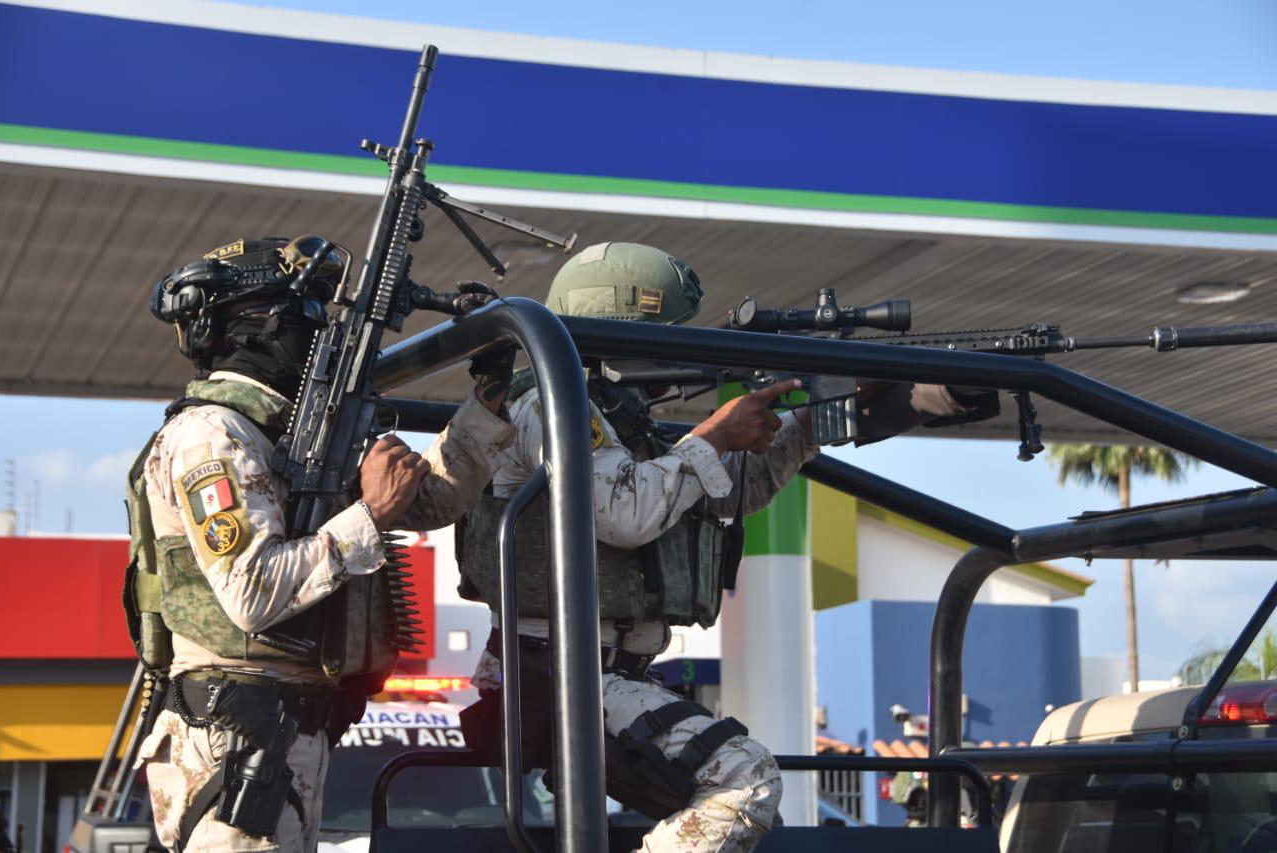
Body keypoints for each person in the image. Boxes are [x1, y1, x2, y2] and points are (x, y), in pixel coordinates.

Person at [456, 242, 998, 852]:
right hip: (550, 675)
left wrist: (809, 419)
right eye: (661, 336)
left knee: (749, 823)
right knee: (745, 777)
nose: (674, 352)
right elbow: (625, 513)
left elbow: (725, 493)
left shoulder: (611, 417)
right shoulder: (546, 402)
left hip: (601, 679)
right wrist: (713, 434)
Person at [127, 236, 514, 852]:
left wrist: (488, 400)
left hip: (288, 727)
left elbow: (431, 501)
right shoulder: (212, 436)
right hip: (233, 734)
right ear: (253, 327)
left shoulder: (291, 435)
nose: (316, 333)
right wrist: (369, 512)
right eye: (302, 316)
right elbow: (253, 592)